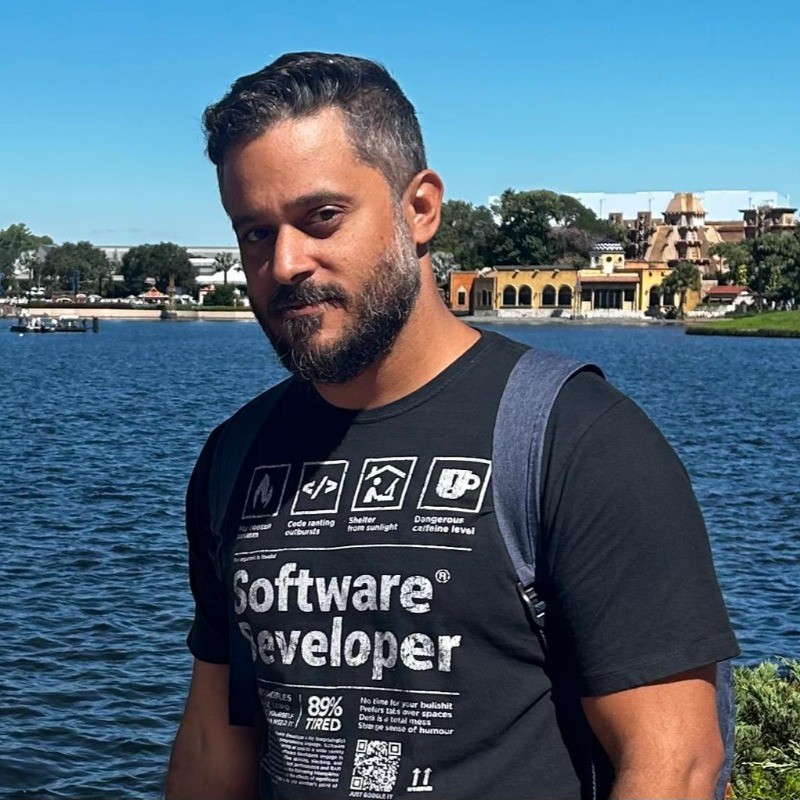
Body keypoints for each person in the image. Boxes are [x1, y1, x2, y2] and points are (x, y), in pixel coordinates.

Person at [166, 52, 739, 800]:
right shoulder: (234, 460)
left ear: (420, 209)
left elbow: (676, 763)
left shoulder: (578, 441)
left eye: (321, 218)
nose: (285, 263)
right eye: (254, 232)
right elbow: (215, 739)